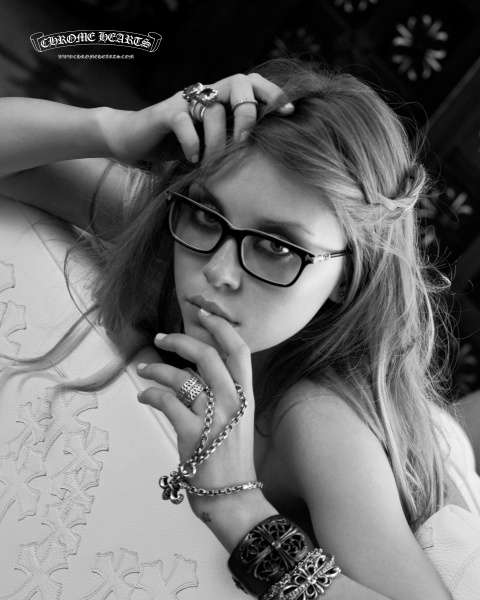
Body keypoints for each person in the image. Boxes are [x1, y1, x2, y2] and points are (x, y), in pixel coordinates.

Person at [0, 58, 479, 600]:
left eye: (277, 246)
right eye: (208, 213)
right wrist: (117, 129)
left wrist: (237, 507)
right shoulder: (181, 240)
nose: (219, 272)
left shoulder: (317, 420)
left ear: (348, 277)